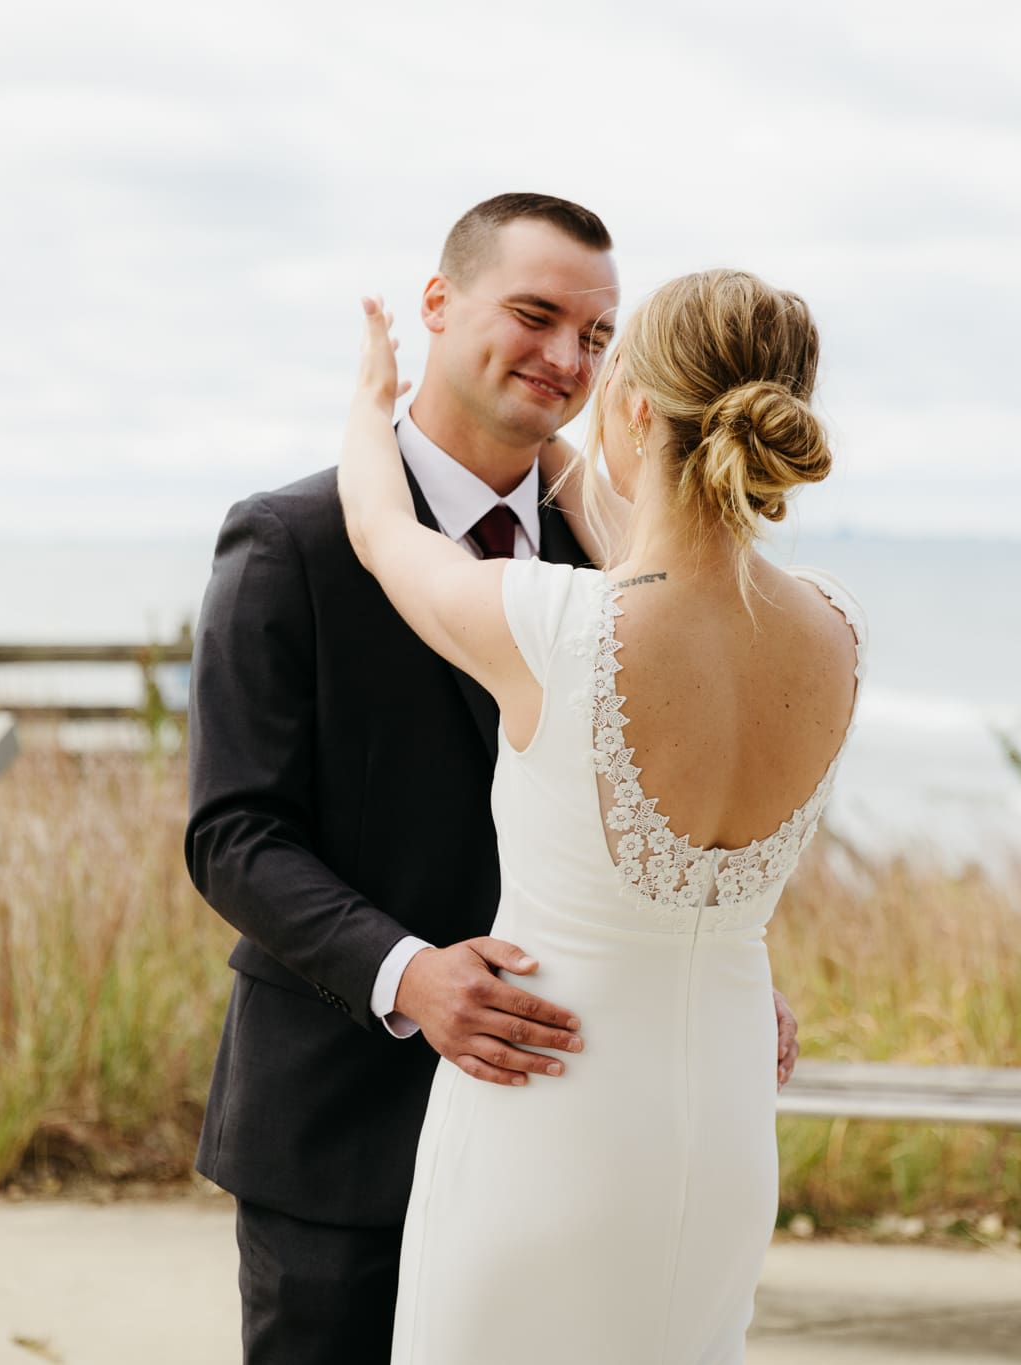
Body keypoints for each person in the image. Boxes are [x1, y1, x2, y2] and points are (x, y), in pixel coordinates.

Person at [184, 193, 803, 1363]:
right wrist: (408, 976)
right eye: (534, 314)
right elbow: (232, 834)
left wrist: (703, 952)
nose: (566, 358)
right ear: (435, 302)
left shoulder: (627, 563)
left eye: (595, 334)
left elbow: (695, 797)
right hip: (343, 1117)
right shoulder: (293, 539)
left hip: (575, 1131)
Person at [338, 264, 865, 1362]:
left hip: (547, 1105)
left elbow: (385, 532)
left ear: (630, 403)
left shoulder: (550, 624)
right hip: (721, 1118)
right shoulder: (832, 634)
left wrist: (370, 398)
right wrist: (588, 446)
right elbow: (658, 551)